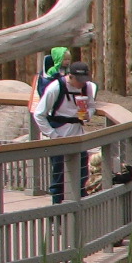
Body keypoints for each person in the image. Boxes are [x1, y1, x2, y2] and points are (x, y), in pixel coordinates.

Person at [32, 59, 97, 204]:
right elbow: (39, 114)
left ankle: (80, 209)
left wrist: (88, 115)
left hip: (78, 135)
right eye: (79, 80)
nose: (81, 83)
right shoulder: (55, 88)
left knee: (82, 176)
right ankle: (57, 212)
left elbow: (92, 106)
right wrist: (53, 134)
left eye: (84, 80)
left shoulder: (87, 88)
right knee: (59, 177)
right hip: (59, 137)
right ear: (70, 76)